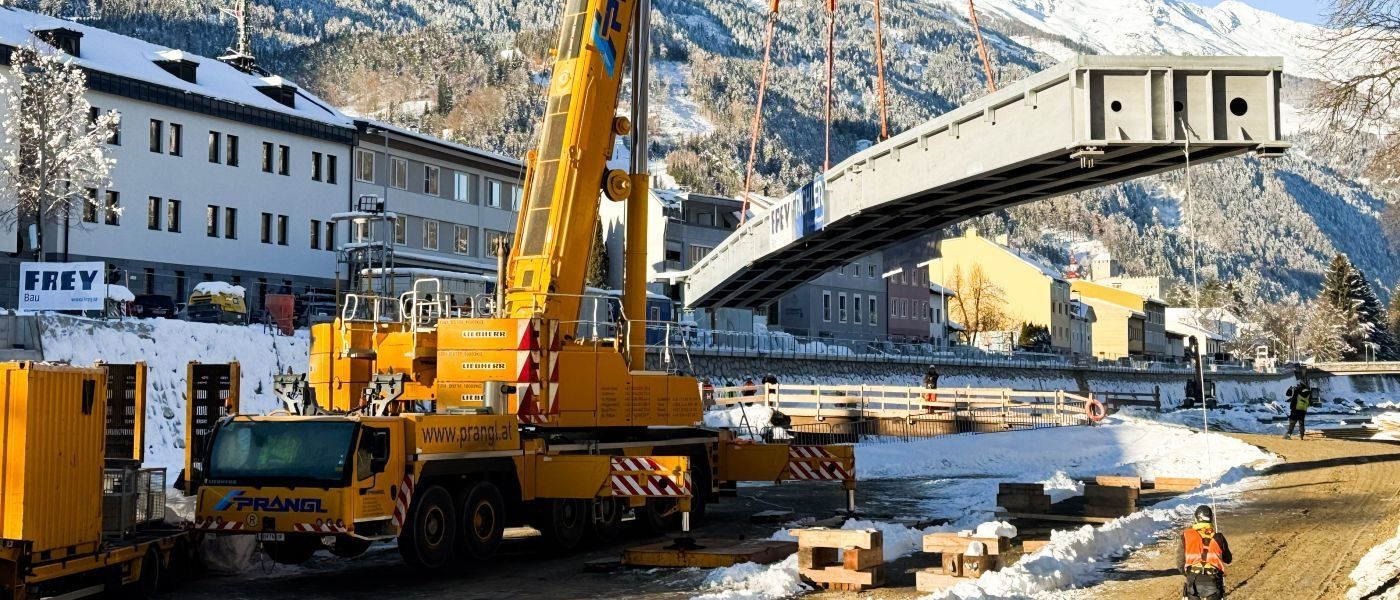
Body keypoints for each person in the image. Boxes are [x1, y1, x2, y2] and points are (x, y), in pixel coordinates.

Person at [1179, 505, 1232, 600]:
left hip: (1193, 581)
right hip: (1213, 581)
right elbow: (1228, 559)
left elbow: (1180, 563)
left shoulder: (1186, 536)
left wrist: (1188, 574)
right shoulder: (1218, 537)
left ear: (1196, 519)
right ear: (1211, 519)